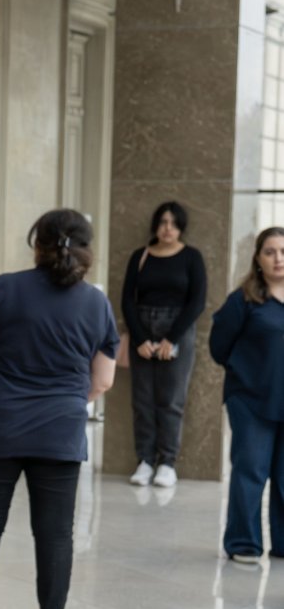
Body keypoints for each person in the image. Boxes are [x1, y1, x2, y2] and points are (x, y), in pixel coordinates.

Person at [0, 210, 118, 609]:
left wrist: (1, 397)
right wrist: (62, 403)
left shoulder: (4, 288)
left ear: (37, 245)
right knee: (54, 534)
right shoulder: (96, 304)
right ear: (86, 250)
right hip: (61, 433)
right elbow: (102, 381)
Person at [209, 227, 284, 564]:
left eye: (283, 251)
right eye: (270, 252)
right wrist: (246, 374)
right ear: (258, 258)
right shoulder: (244, 299)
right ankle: (243, 543)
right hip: (251, 400)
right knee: (251, 470)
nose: (278, 258)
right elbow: (219, 346)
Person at [120, 200, 207, 488]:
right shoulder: (140, 256)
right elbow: (126, 300)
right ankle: (144, 460)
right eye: (162, 222)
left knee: (171, 401)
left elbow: (197, 302)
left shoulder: (192, 257)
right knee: (142, 401)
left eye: (172, 223)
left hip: (177, 329)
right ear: (155, 226)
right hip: (142, 329)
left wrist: (172, 338)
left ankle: (167, 463)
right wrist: (141, 338)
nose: (167, 228)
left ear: (181, 226)